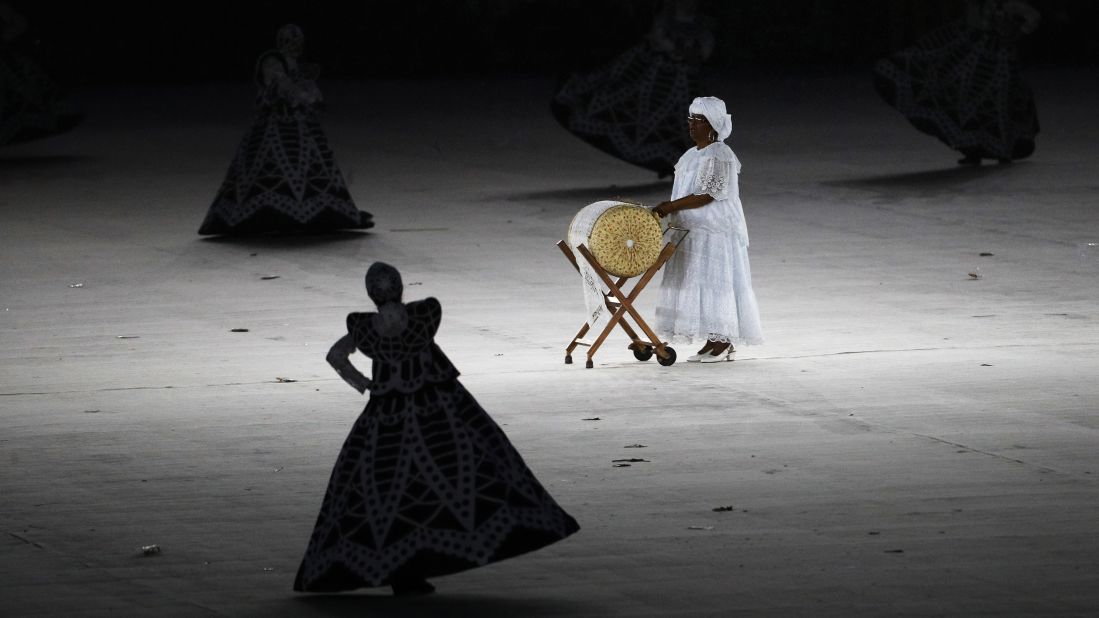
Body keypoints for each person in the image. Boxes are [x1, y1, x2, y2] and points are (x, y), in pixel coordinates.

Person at [294, 262, 579, 595]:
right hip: (439, 406)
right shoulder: (421, 317)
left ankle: (402, 571)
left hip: (387, 413)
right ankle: (435, 557)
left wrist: (366, 383)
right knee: (465, 469)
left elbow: (336, 355)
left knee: (384, 487)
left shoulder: (367, 327)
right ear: (399, 288)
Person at [198, 24, 372, 235]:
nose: (295, 45)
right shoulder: (272, 61)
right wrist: (303, 96)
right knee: (267, 171)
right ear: (281, 41)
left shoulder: (296, 65)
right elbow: (281, 85)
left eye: (298, 40)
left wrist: (312, 96)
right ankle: (261, 215)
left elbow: (305, 88)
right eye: (290, 40)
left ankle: (330, 213)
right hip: (274, 126)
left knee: (313, 170)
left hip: (300, 125)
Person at [651, 96, 762, 362]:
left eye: (698, 120)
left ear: (712, 124)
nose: (691, 125)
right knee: (697, 281)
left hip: (714, 231)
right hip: (691, 230)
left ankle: (723, 340)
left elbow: (707, 194)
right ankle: (713, 339)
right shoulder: (691, 155)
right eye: (690, 119)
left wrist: (669, 206)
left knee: (716, 282)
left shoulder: (719, 154)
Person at [551, 0, 713, 177]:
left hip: (685, 80)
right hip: (660, 76)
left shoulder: (700, 23)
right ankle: (667, 161)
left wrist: (693, 52)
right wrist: (674, 48)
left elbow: (706, 46)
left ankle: (676, 162)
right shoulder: (666, 17)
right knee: (643, 111)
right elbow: (658, 39)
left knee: (681, 121)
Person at [873, 0, 1040, 165]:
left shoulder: (1009, 4)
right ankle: (974, 150)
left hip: (996, 57)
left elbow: (1032, 16)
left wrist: (1015, 33)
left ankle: (1001, 149)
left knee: (996, 104)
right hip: (971, 49)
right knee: (968, 102)